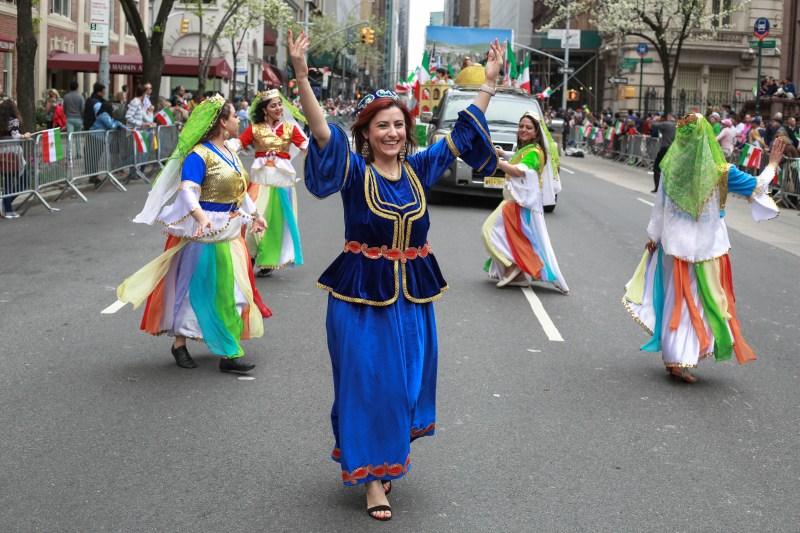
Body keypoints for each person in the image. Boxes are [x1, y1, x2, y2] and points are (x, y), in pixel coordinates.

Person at [289, 29, 503, 521]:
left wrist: (488, 84)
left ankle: (384, 455)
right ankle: (373, 481)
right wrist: (301, 75)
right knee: (369, 386)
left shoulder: (419, 170)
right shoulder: (353, 172)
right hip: (360, 301)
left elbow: (462, 136)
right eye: (381, 126)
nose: (392, 133)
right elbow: (321, 133)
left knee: (406, 387)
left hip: (411, 301)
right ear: (366, 134)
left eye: (398, 125)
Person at [112, 95, 269, 372]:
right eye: (234, 116)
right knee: (190, 292)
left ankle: (229, 353)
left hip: (230, 234)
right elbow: (187, 191)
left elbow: (240, 191)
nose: (238, 120)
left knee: (233, 293)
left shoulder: (230, 152)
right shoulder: (198, 155)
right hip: (202, 236)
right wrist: (201, 217)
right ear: (223, 122)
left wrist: (256, 215)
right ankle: (179, 345)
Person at [622, 113, 783, 383]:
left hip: (672, 246)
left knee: (675, 299)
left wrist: (654, 236)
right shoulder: (720, 171)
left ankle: (675, 357)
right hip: (703, 250)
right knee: (693, 302)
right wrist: (773, 164)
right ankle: (680, 359)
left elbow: (660, 207)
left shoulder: (672, 168)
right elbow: (758, 187)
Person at [481, 113, 569, 293]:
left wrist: (497, 162)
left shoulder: (534, 153)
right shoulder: (529, 149)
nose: (523, 130)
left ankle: (512, 267)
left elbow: (518, 170)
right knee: (510, 238)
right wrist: (502, 153)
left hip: (514, 204)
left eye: (528, 127)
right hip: (515, 202)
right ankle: (518, 276)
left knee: (488, 232)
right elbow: (517, 157)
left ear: (536, 132)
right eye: (521, 126)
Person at [227, 89, 308, 277]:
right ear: (265, 110)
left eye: (280, 104)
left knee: (275, 225)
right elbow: (238, 144)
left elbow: (306, 146)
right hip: (259, 183)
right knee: (251, 220)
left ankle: (267, 261)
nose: (278, 108)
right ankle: (249, 255)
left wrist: (325, 149)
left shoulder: (290, 129)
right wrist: (219, 144)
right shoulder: (255, 129)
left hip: (282, 185)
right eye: (273, 106)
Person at [0, 99, 32, 219]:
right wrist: (25, 135)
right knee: (25, 180)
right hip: (14, 154)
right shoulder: (14, 121)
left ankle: (7, 206)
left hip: (2, 154)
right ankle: (7, 207)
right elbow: (15, 136)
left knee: (7, 182)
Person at [650, 113, 676, 192]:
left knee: (657, 167)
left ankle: (657, 187)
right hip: (674, 150)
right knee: (670, 168)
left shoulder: (667, 124)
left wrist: (655, 119)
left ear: (670, 117)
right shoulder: (678, 125)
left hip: (665, 148)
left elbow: (653, 125)